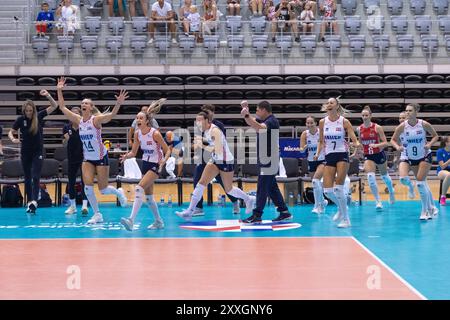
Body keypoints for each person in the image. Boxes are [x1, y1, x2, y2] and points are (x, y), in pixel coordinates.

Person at [56, 76, 128, 224]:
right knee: (87, 188)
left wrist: (118, 104)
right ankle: (97, 214)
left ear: (91, 107)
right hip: (87, 158)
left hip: (101, 157)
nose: (83, 104)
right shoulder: (78, 120)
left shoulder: (95, 120)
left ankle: (118, 192)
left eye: (86, 103)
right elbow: (62, 107)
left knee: (103, 189)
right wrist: (59, 90)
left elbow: (111, 116)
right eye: (82, 103)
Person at [176, 109, 255, 220]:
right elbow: (211, 142)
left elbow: (217, 150)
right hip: (215, 160)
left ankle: (248, 199)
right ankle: (190, 211)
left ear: (207, 120)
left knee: (229, 189)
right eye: (196, 121)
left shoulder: (215, 130)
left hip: (225, 161)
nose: (198, 124)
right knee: (201, 183)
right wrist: (201, 139)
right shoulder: (206, 130)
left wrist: (202, 145)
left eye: (200, 121)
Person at [120, 99, 170, 231]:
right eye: (137, 118)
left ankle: (131, 220)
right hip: (146, 163)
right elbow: (134, 152)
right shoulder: (137, 134)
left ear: (147, 121)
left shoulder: (155, 133)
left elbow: (168, 150)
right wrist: (126, 156)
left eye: (140, 118)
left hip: (155, 164)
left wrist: (163, 161)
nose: (138, 120)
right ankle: (159, 221)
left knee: (138, 188)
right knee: (148, 197)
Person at [240, 100, 292, 223]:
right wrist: (245, 111)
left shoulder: (272, 121)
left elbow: (259, 128)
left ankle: (257, 215)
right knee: (271, 187)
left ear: (264, 110)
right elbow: (252, 123)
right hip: (266, 158)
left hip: (270, 159)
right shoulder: (265, 121)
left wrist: (247, 115)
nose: (256, 112)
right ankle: (284, 212)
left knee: (262, 186)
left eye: (257, 110)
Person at [8, 90, 59, 214]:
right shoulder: (21, 119)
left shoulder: (39, 116)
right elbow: (11, 131)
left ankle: (35, 201)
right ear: (24, 111)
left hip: (37, 151)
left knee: (35, 176)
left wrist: (47, 95)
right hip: (25, 152)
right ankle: (30, 202)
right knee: (27, 178)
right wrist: (13, 139)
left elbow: (54, 106)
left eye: (31, 111)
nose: (29, 113)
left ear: (34, 110)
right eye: (27, 111)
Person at [315, 97, 360, 228]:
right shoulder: (323, 122)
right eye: (327, 103)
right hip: (329, 155)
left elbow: (352, 136)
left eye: (331, 103)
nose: (328, 104)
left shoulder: (344, 121)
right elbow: (321, 140)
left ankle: (346, 219)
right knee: (327, 191)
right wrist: (318, 153)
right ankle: (342, 207)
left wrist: (356, 144)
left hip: (342, 154)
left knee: (338, 188)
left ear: (336, 106)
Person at [190, 104, 241, 216]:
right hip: (204, 158)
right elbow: (196, 142)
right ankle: (198, 208)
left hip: (217, 158)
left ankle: (235, 201)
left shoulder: (217, 126)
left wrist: (202, 144)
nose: (206, 113)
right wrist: (195, 147)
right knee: (197, 181)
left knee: (224, 184)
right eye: (204, 111)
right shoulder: (200, 125)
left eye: (208, 111)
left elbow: (217, 143)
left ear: (213, 113)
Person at [391, 103, 439, 220]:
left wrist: (429, 144)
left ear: (416, 112)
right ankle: (430, 207)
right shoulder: (402, 127)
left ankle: (425, 211)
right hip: (410, 157)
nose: (407, 113)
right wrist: (398, 147)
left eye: (410, 110)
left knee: (421, 183)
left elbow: (435, 136)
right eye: (406, 111)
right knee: (411, 180)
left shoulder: (423, 124)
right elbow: (392, 140)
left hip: (424, 156)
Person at [356, 105, 395, 210]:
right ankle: (378, 201)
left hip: (379, 154)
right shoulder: (359, 129)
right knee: (370, 178)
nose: (365, 117)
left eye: (366, 115)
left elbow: (385, 143)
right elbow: (359, 143)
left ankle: (391, 191)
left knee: (385, 176)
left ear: (370, 116)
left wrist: (376, 145)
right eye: (363, 115)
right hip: (368, 156)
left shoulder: (377, 127)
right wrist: (356, 151)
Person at [62, 106, 88, 215]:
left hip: (84, 158)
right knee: (71, 182)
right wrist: (66, 139)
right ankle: (72, 206)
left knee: (85, 182)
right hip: (72, 158)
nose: (73, 115)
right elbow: (64, 142)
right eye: (71, 113)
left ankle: (84, 206)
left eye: (76, 113)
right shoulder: (66, 127)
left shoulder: (85, 127)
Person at [299, 116, 327, 214]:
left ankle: (317, 206)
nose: (309, 125)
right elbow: (301, 149)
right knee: (315, 184)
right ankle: (323, 201)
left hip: (322, 159)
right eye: (308, 123)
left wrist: (317, 154)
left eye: (312, 123)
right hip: (311, 161)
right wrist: (304, 148)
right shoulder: (304, 134)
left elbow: (323, 144)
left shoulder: (321, 132)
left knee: (315, 181)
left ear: (316, 123)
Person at [392, 111, 416, 199]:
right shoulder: (398, 129)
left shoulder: (415, 127)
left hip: (417, 155)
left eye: (403, 117)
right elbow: (397, 144)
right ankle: (411, 186)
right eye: (400, 118)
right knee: (402, 179)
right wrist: (396, 156)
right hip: (405, 155)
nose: (401, 120)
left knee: (421, 182)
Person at [437, 136, 450, 206]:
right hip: (442, 171)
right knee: (449, 175)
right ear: (446, 143)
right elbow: (442, 166)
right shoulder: (440, 151)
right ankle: (443, 197)